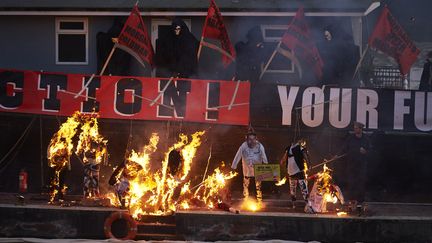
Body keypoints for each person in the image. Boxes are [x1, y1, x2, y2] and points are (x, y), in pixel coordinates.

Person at [231, 130, 268, 203]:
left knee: (258, 185)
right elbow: (238, 156)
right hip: (247, 168)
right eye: (249, 139)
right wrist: (233, 166)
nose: (251, 141)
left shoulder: (260, 146)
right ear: (247, 139)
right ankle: (245, 199)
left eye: (253, 139)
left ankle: (259, 199)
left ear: (256, 139)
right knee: (246, 184)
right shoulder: (243, 146)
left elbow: (264, 155)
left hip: (257, 167)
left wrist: (266, 166)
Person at [340, 121, 371, 203]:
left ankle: (360, 202)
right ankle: (351, 201)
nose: (355, 129)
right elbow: (344, 148)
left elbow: (371, 152)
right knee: (351, 183)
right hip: (351, 165)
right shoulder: (350, 138)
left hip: (361, 166)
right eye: (354, 128)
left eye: (356, 128)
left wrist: (365, 152)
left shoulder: (366, 139)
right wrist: (337, 155)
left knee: (360, 184)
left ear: (360, 129)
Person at [280, 139, 313, 213]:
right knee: (301, 189)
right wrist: (309, 165)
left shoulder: (290, 148)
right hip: (295, 172)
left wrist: (282, 163)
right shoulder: (298, 147)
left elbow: (283, 160)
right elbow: (305, 156)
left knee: (296, 188)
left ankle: (297, 204)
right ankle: (304, 204)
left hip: (294, 171)